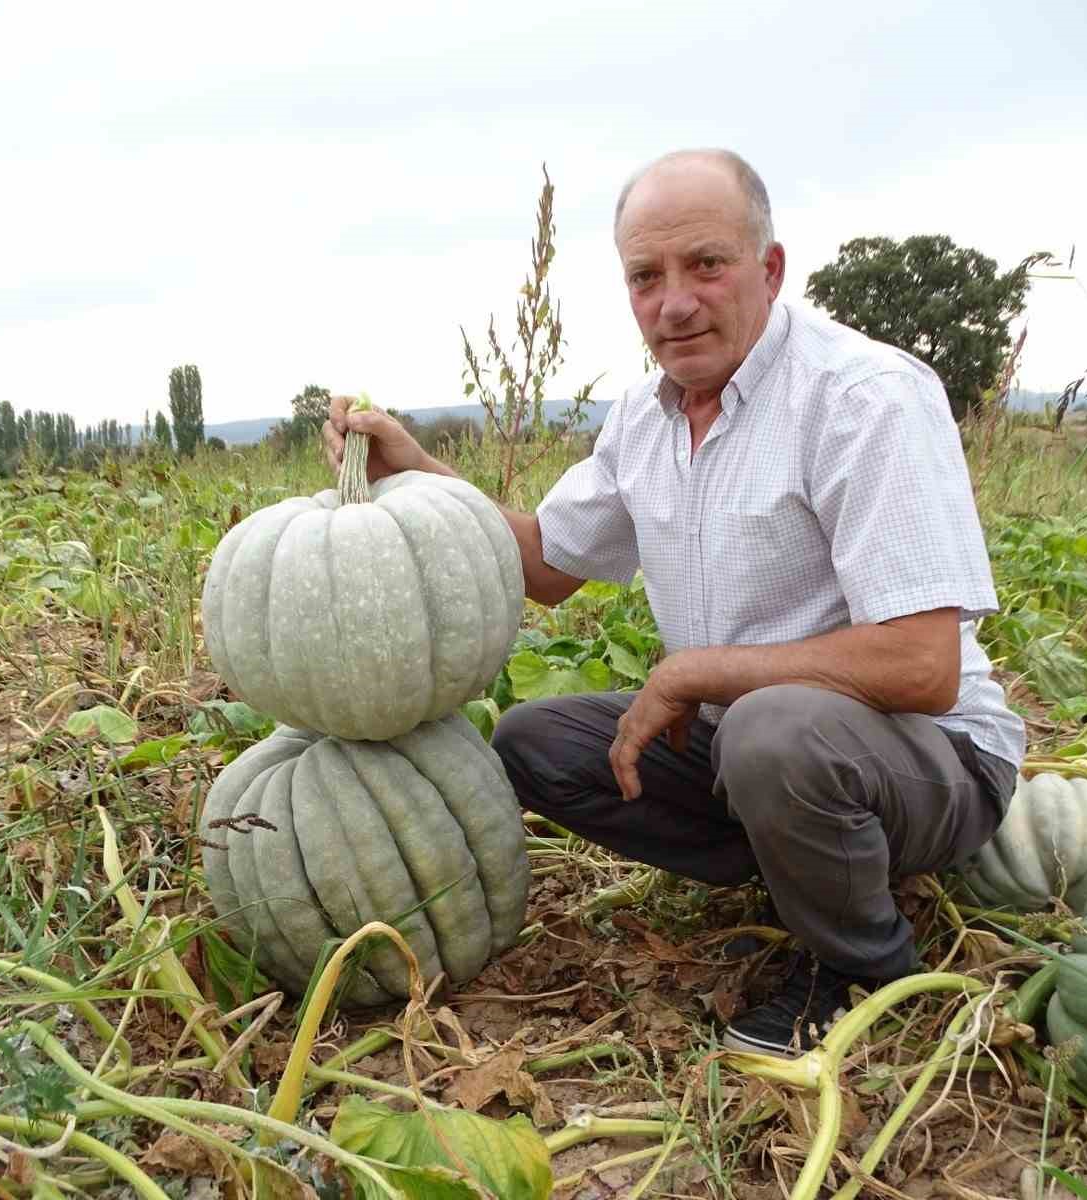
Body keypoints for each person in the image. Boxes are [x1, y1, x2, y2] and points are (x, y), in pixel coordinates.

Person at [322, 147, 1024, 1057]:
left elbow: (923, 667)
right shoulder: (647, 416)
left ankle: (863, 968)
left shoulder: (864, 398)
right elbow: (545, 564)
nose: (675, 301)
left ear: (769, 269)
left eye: (707, 265)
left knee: (770, 733)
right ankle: (802, 867)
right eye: (646, 277)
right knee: (535, 744)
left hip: (936, 760)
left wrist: (700, 671)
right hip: (757, 744)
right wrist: (413, 470)